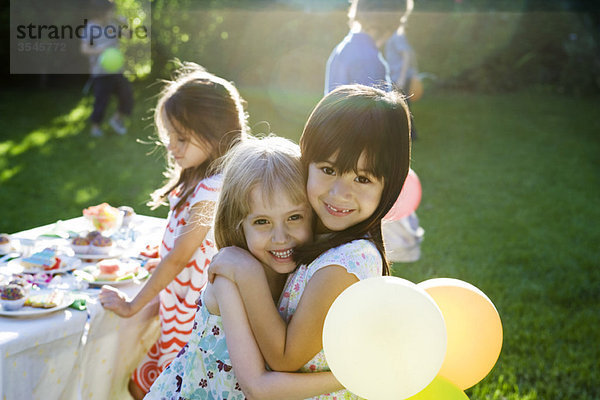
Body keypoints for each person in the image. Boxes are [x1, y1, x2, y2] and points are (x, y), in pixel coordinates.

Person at [208, 84, 411, 399]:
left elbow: (286, 357)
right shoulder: (318, 237)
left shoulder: (344, 264)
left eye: (362, 178)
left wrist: (245, 272)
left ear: (390, 186)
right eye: (328, 170)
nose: (338, 193)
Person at [146, 135, 344, 399]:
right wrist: (347, 377)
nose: (280, 237)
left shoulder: (307, 273)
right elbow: (256, 388)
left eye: (294, 217)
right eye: (262, 222)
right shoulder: (231, 278)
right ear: (237, 224)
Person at [98, 61, 248, 399]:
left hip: (193, 317)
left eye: (181, 138)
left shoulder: (213, 188)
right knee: (142, 385)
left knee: (156, 388)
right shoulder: (203, 177)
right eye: (169, 137)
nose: (171, 147)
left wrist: (132, 305)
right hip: (179, 306)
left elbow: (181, 256)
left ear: (217, 131)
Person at [81, 0, 134, 137]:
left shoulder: (113, 25)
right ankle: (95, 128)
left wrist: (125, 23)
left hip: (116, 70)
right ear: (101, 13)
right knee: (101, 101)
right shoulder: (91, 27)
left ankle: (116, 120)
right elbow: (84, 49)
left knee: (127, 95)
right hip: (100, 73)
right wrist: (99, 50)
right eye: (110, 11)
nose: (112, 13)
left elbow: (128, 36)